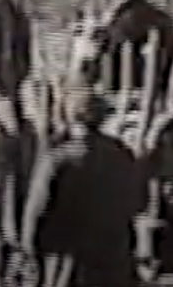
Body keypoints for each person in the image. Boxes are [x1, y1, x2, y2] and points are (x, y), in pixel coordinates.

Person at [22, 85, 146, 287]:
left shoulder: (58, 159)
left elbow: (37, 208)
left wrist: (29, 246)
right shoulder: (122, 153)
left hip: (71, 259)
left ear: (70, 116)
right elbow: (139, 201)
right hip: (113, 254)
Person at [101, 0, 173, 94]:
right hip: (153, 86)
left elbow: (110, 49)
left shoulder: (126, 17)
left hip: (128, 86)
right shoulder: (160, 17)